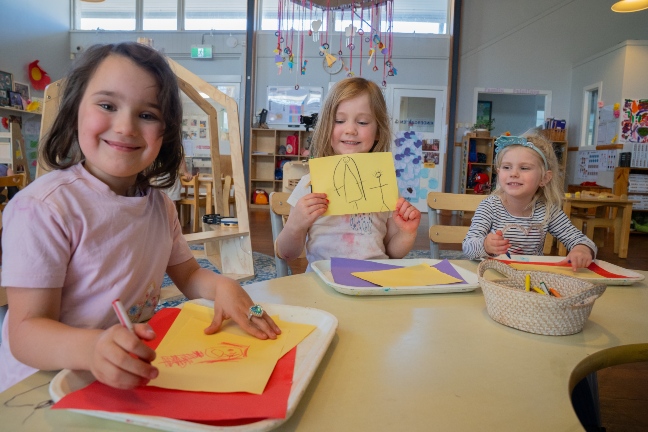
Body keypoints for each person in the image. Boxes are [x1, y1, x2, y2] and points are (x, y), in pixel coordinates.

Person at [0, 42, 280, 393]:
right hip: (40, 387)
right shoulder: (44, 208)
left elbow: (189, 274)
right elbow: (25, 333)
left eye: (147, 115)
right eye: (107, 105)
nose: (126, 127)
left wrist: (222, 285)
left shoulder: (159, 206)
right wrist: (92, 349)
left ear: (165, 134)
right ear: (74, 112)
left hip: (122, 377)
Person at [275, 77, 421, 270]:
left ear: (378, 130)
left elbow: (392, 252)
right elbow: (287, 254)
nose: (350, 130)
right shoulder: (309, 185)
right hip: (324, 284)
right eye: (339, 120)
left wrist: (406, 233)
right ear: (326, 126)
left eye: (362, 122)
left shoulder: (383, 183)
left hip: (374, 282)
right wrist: (295, 224)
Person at [462, 132, 596, 269]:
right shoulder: (489, 206)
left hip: (531, 277)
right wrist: (485, 245)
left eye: (524, 168)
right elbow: (467, 248)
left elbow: (582, 241)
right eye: (506, 167)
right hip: (492, 276)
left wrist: (582, 249)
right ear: (499, 172)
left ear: (544, 178)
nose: (513, 173)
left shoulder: (548, 211)